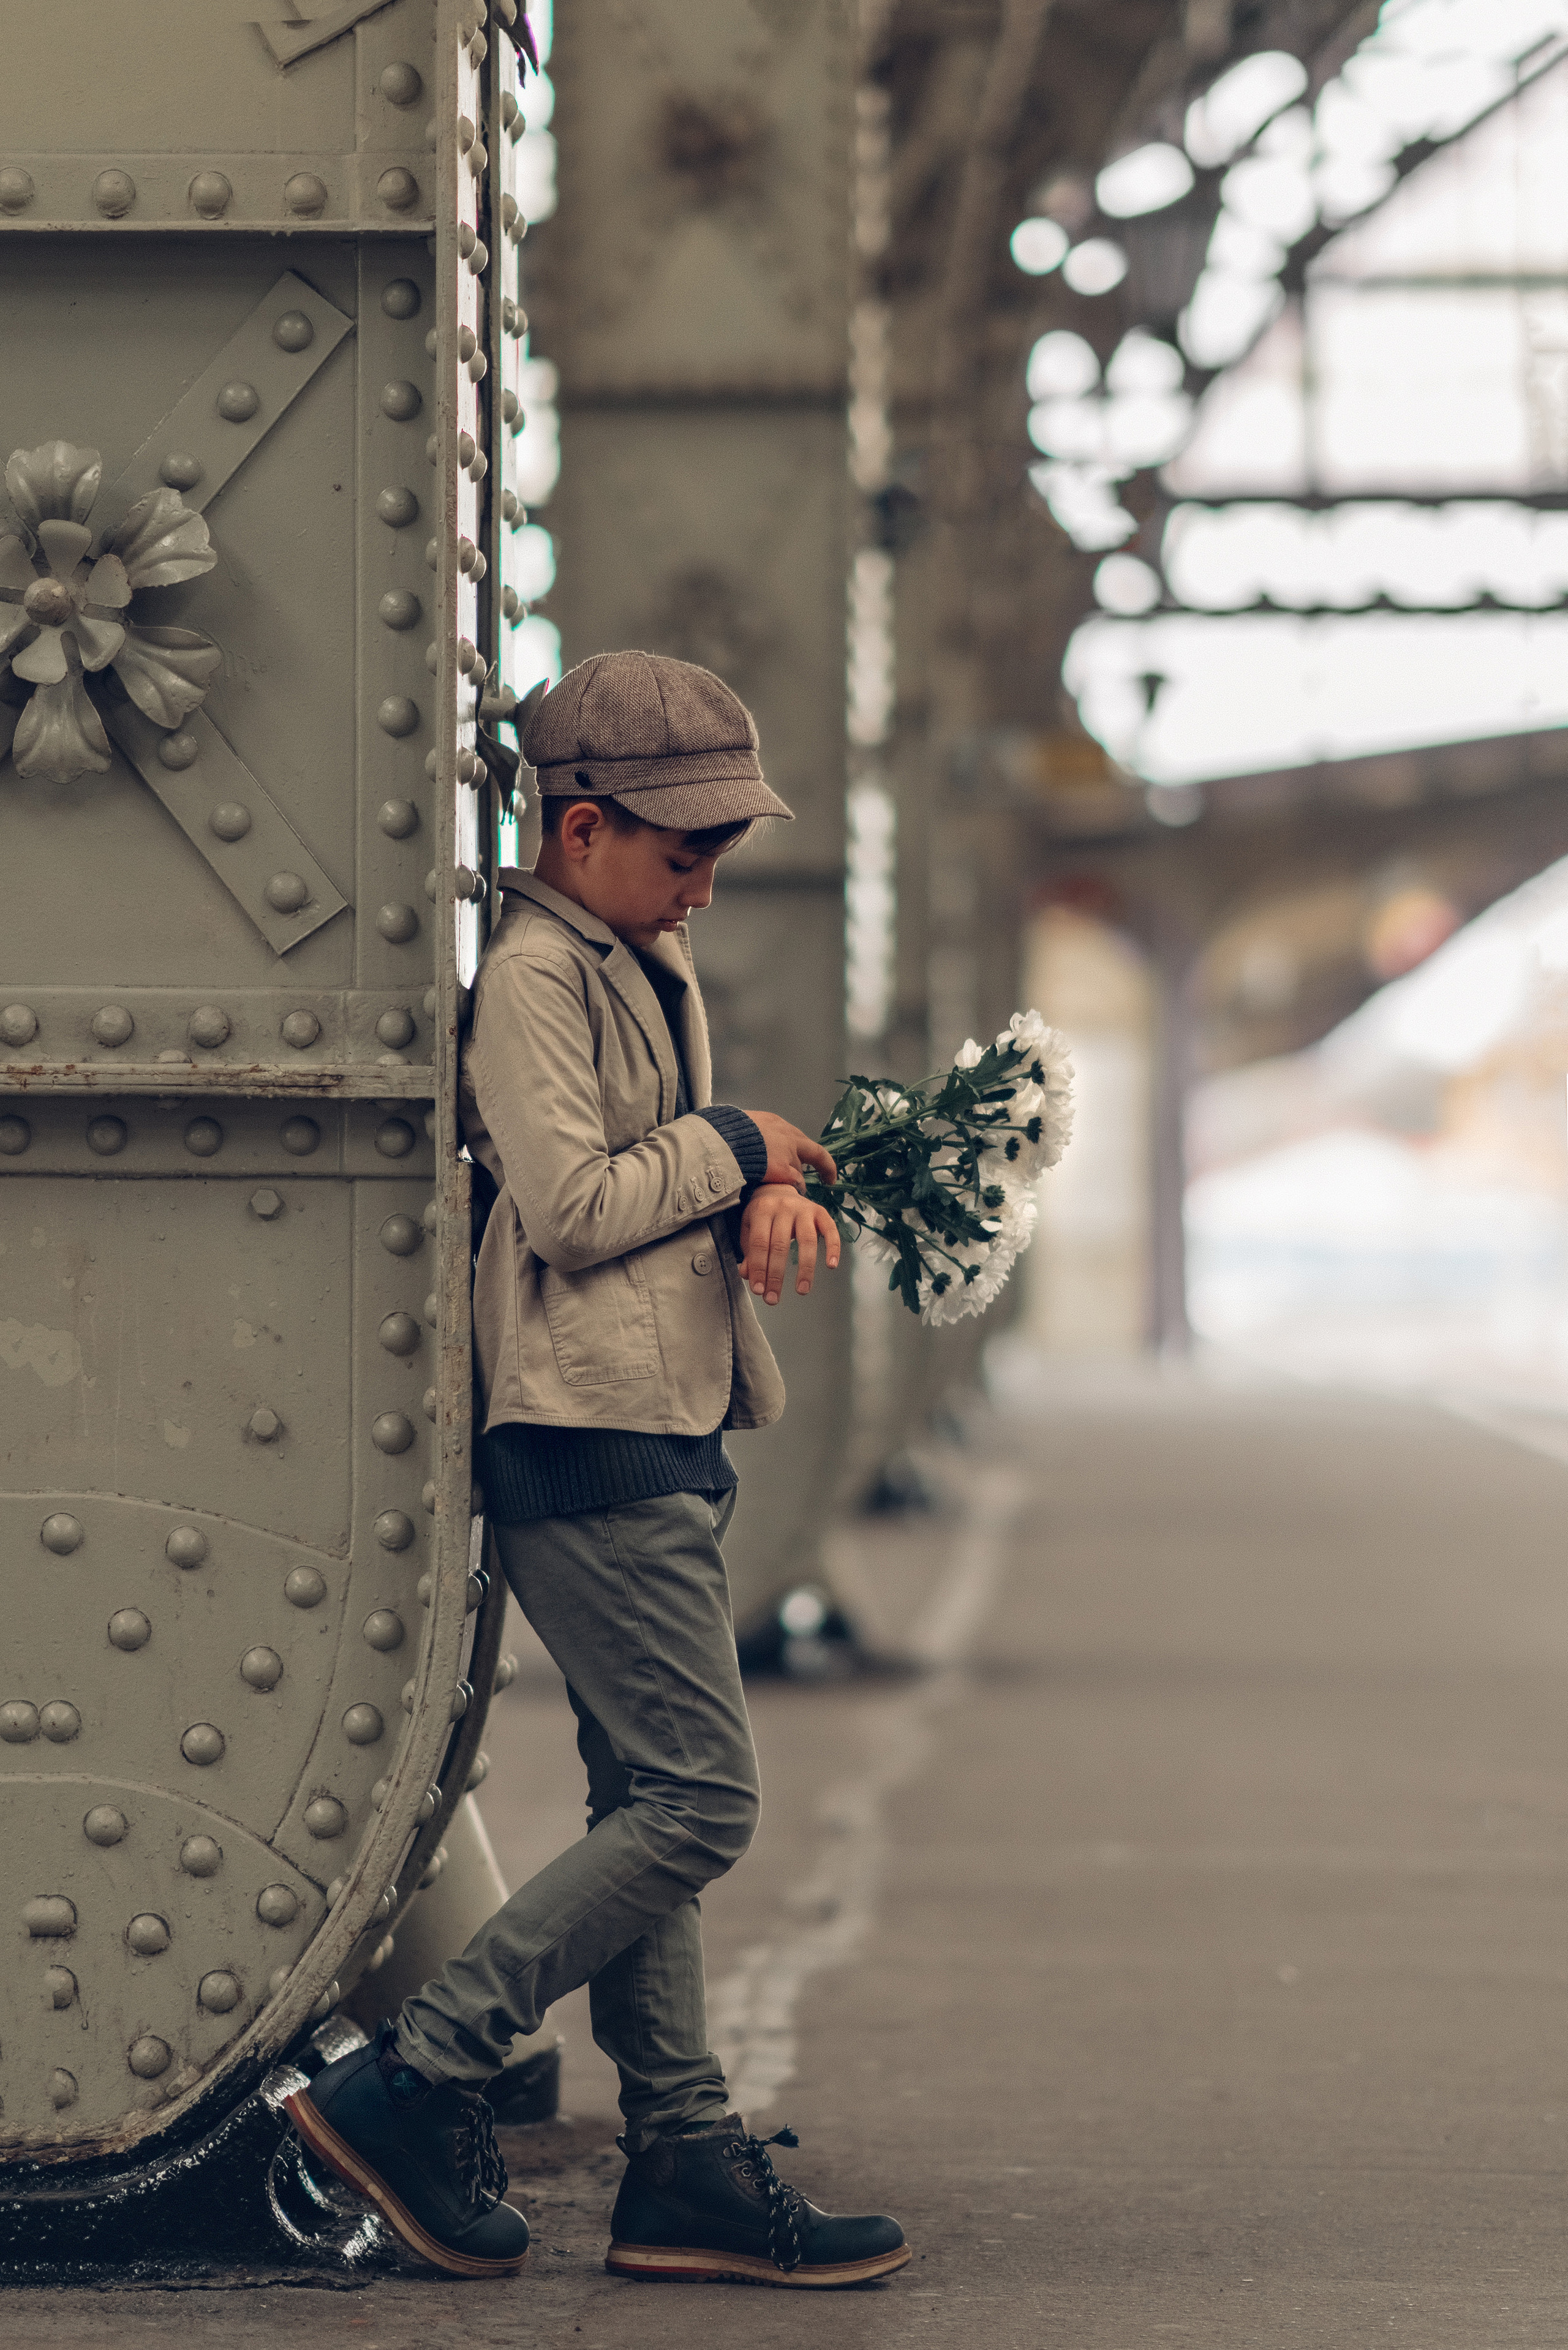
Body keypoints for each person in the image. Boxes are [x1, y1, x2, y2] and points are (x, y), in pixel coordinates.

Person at [288, 652, 910, 2289]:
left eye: (718, 848)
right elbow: (570, 1204)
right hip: (585, 1428)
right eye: (681, 847)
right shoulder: (538, 980)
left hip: (654, 1418)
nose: (707, 878)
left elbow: (654, 1186)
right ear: (578, 832)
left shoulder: (623, 958)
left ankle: (683, 2166)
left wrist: (753, 1190)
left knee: (649, 1795)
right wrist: (741, 1149)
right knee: (706, 1797)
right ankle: (418, 2074)